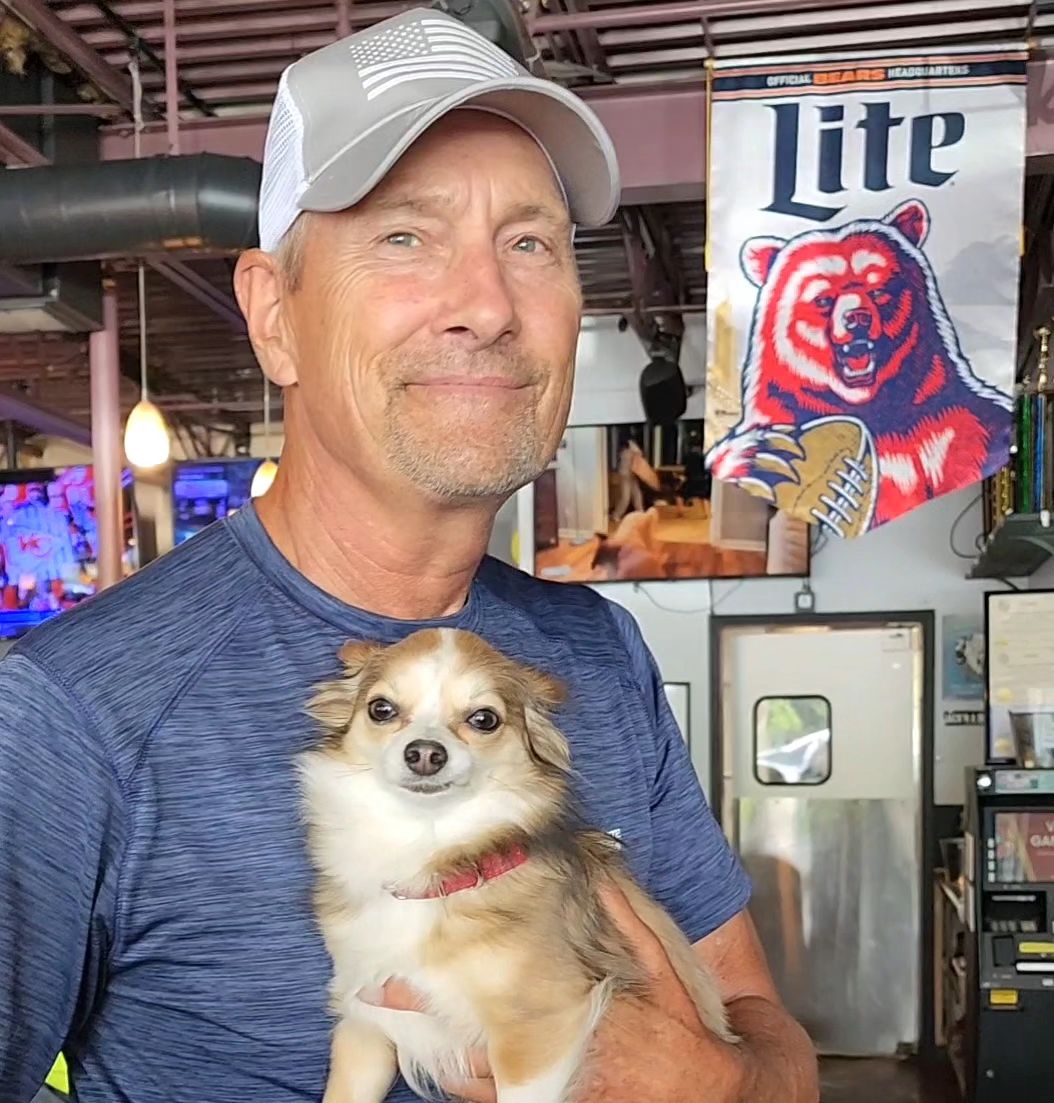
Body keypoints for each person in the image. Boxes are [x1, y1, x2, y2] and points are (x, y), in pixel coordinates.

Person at [0, 8, 817, 1103]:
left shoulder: (596, 650)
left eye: (530, 241)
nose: (486, 303)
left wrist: (713, 1084)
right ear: (274, 312)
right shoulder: (70, 712)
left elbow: (770, 1033)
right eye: (403, 236)